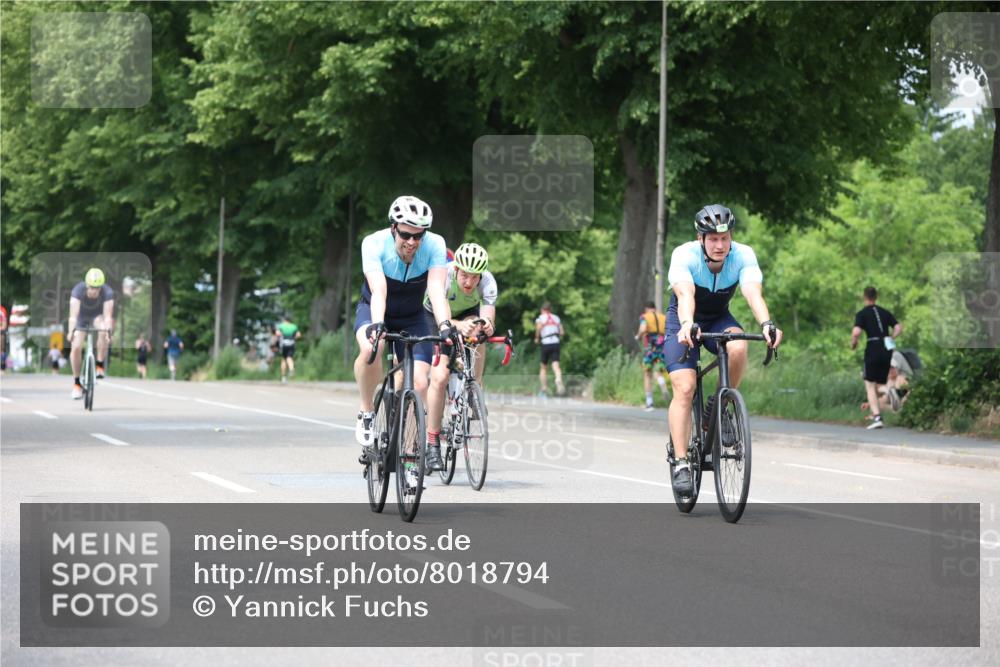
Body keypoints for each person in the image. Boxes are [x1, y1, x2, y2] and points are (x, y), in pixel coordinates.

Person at [665, 205, 782, 494]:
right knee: (684, 386)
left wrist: (767, 323)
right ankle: (681, 462)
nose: (720, 245)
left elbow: (753, 292)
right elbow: (684, 294)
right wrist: (687, 324)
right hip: (683, 318)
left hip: (719, 317)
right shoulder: (684, 254)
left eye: (725, 238)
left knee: (739, 345)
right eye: (713, 239)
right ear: (700, 238)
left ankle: (717, 409)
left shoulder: (743, 255)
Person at [353, 195, 453, 482]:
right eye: (406, 234)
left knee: (420, 382)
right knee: (373, 346)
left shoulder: (435, 245)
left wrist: (445, 325)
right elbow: (379, 290)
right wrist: (378, 324)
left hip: (413, 316)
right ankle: (367, 410)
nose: (412, 242)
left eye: (418, 235)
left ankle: (410, 457)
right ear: (394, 227)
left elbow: (435, 288)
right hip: (375, 308)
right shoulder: (373, 243)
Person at [424, 243, 498, 465]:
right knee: (439, 377)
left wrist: (487, 325)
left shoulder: (488, 282)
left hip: (465, 313)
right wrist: (456, 327)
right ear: (456, 269)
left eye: (475, 277)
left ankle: (474, 388)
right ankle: (432, 443)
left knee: (478, 334)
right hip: (434, 315)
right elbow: (445, 320)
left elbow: (487, 316)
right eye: (465, 275)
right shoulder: (444, 277)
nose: (469, 282)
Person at [850, 286, 902, 429]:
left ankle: (877, 417)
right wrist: (891, 337)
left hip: (873, 347)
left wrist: (853, 343)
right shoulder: (885, 312)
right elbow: (898, 327)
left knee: (869, 384)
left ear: (864, 297)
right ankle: (887, 393)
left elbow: (856, 332)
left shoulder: (862, 314)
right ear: (876, 297)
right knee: (879, 383)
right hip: (887, 347)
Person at [67, 268, 115, 399]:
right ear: (87, 285)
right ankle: (77, 383)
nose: (95, 291)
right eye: (92, 287)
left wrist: (108, 332)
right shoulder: (78, 290)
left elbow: (108, 317)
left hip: (97, 316)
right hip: (81, 318)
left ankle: (99, 365)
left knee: (103, 328)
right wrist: (71, 331)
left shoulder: (107, 292)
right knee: (76, 347)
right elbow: (73, 316)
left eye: (98, 288)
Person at [634, 301, 670, 411]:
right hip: (662, 347)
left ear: (647, 309)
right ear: (655, 308)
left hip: (650, 348)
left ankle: (649, 403)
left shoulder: (645, 317)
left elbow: (643, 328)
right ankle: (662, 383)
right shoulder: (663, 317)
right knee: (658, 371)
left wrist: (638, 335)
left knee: (647, 373)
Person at [534, 302, 565, 397]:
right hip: (555, 342)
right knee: (556, 365)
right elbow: (562, 332)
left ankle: (544, 389)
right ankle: (558, 379)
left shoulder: (540, 318)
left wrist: (537, 338)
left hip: (546, 343)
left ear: (542, 310)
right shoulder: (556, 318)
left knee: (543, 367)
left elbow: (538, 328)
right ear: (550, 310)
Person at [274, 316, 302, 383]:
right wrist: (293, 338)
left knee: (284, 359)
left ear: (285, 320)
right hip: (291, 344)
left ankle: (283, 377)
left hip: (284, 344)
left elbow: (277, 333)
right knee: (289, 358)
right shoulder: (294, 326)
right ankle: (291, 369)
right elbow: (298, 335)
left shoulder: (281, 326)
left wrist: (282, 335)